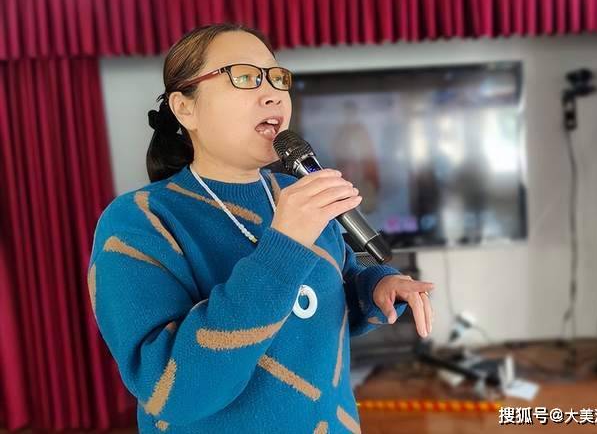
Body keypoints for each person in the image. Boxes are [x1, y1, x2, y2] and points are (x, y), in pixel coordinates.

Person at [87, 23, 434, 433]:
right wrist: (284, 246)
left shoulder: (296, 194)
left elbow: (330, 288)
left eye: (276, 77)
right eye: (245, 77)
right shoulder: (139, 220)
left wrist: (376, 287)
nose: (272, 93)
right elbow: (170, 391)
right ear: (185, 108)